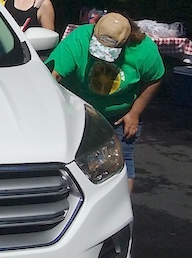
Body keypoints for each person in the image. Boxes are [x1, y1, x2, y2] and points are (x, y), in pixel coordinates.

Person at [45, 12, 164, 192]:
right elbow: (52, 76)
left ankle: (120, 209)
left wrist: (135, 112)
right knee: (75, 164)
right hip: (78, 111)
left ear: (127, 40)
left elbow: (155, 78)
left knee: (122, 162)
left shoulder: (144, 50)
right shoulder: (79, 38)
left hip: (119, 115)